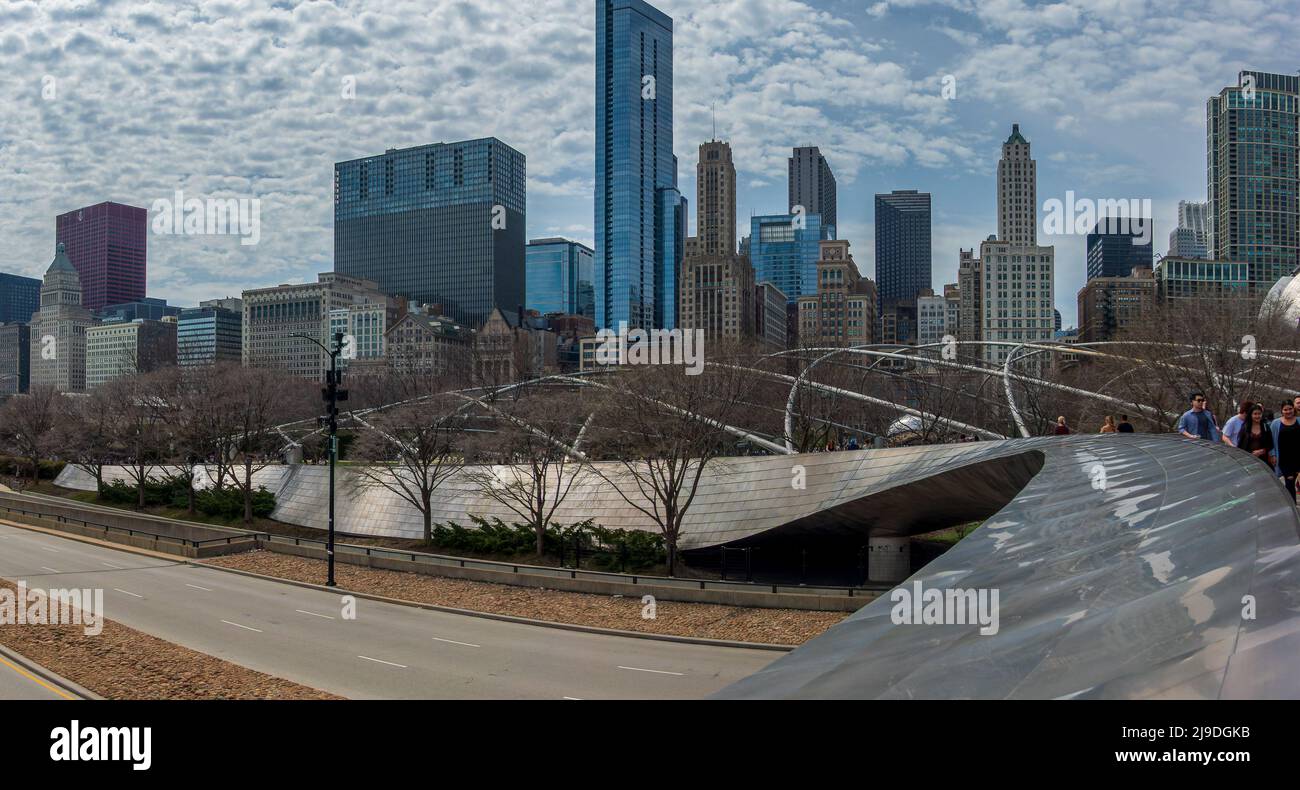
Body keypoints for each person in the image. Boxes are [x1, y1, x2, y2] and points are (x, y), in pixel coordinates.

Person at [1271, 402, 1300, 504]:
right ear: (1282, 411)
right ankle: (1294, 509)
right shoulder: (1276, 423)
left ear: (1293, 409)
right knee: (1289, 484)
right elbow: (1270, 441)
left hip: (1298, 458)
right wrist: (1272, 454)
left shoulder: (1299, 420)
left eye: (1290, 409)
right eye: (1285, 410)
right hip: (1285, 459)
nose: (1288, 411)